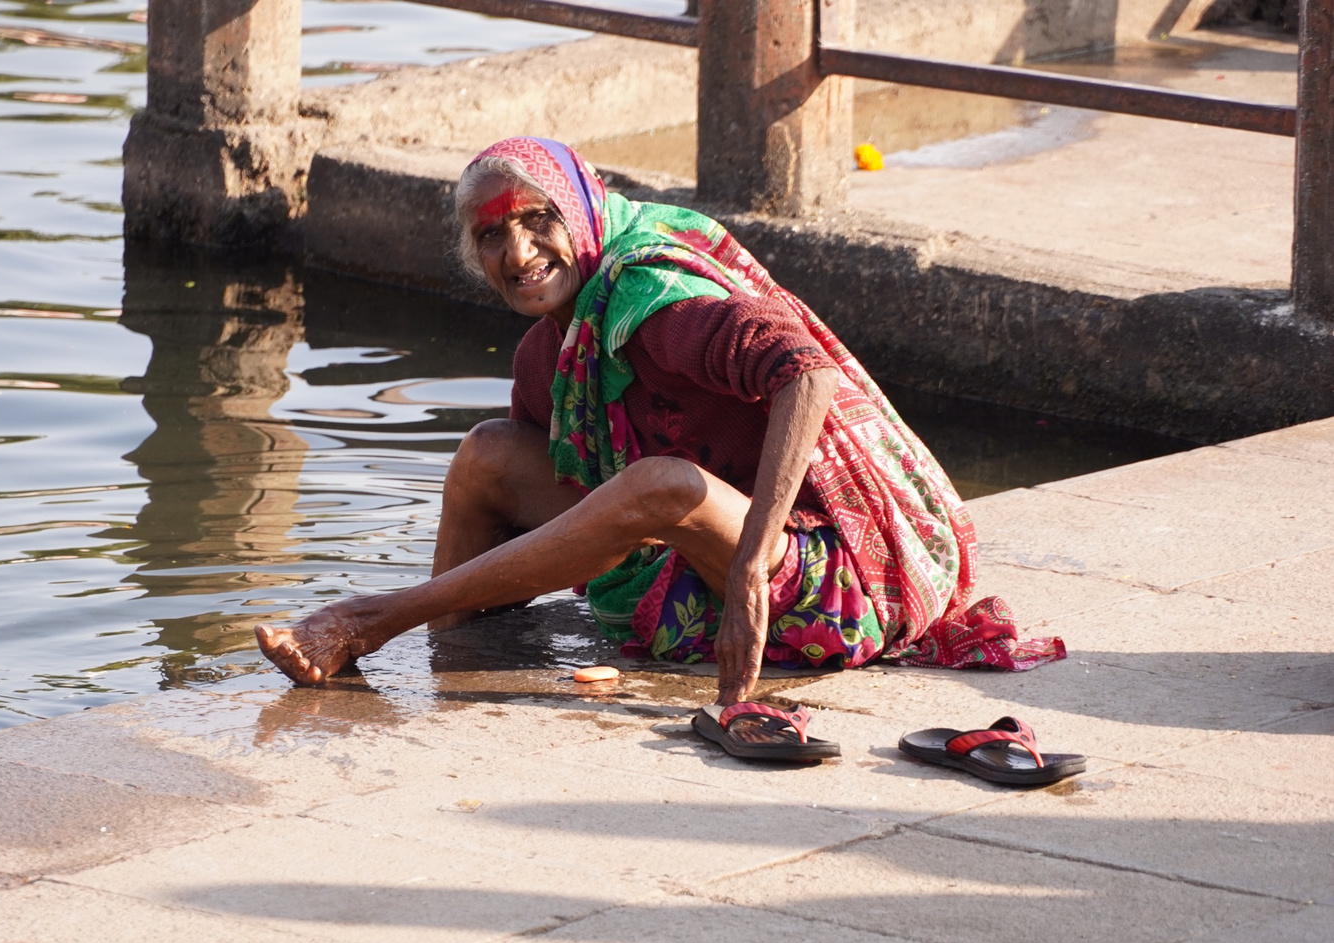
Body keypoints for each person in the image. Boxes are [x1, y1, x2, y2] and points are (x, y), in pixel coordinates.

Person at [257, 136, 1062, 751]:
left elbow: (806, 375)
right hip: (697, 572)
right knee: (488, 454)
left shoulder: (655, 302)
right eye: (493, 236)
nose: (520, 252)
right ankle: (446, 649)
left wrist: (751, 565)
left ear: (582, 214)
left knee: (663, 483)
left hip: (834, 581)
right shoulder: (549, 353)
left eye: (540, 220)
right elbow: (552, 515)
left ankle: (370, 620)